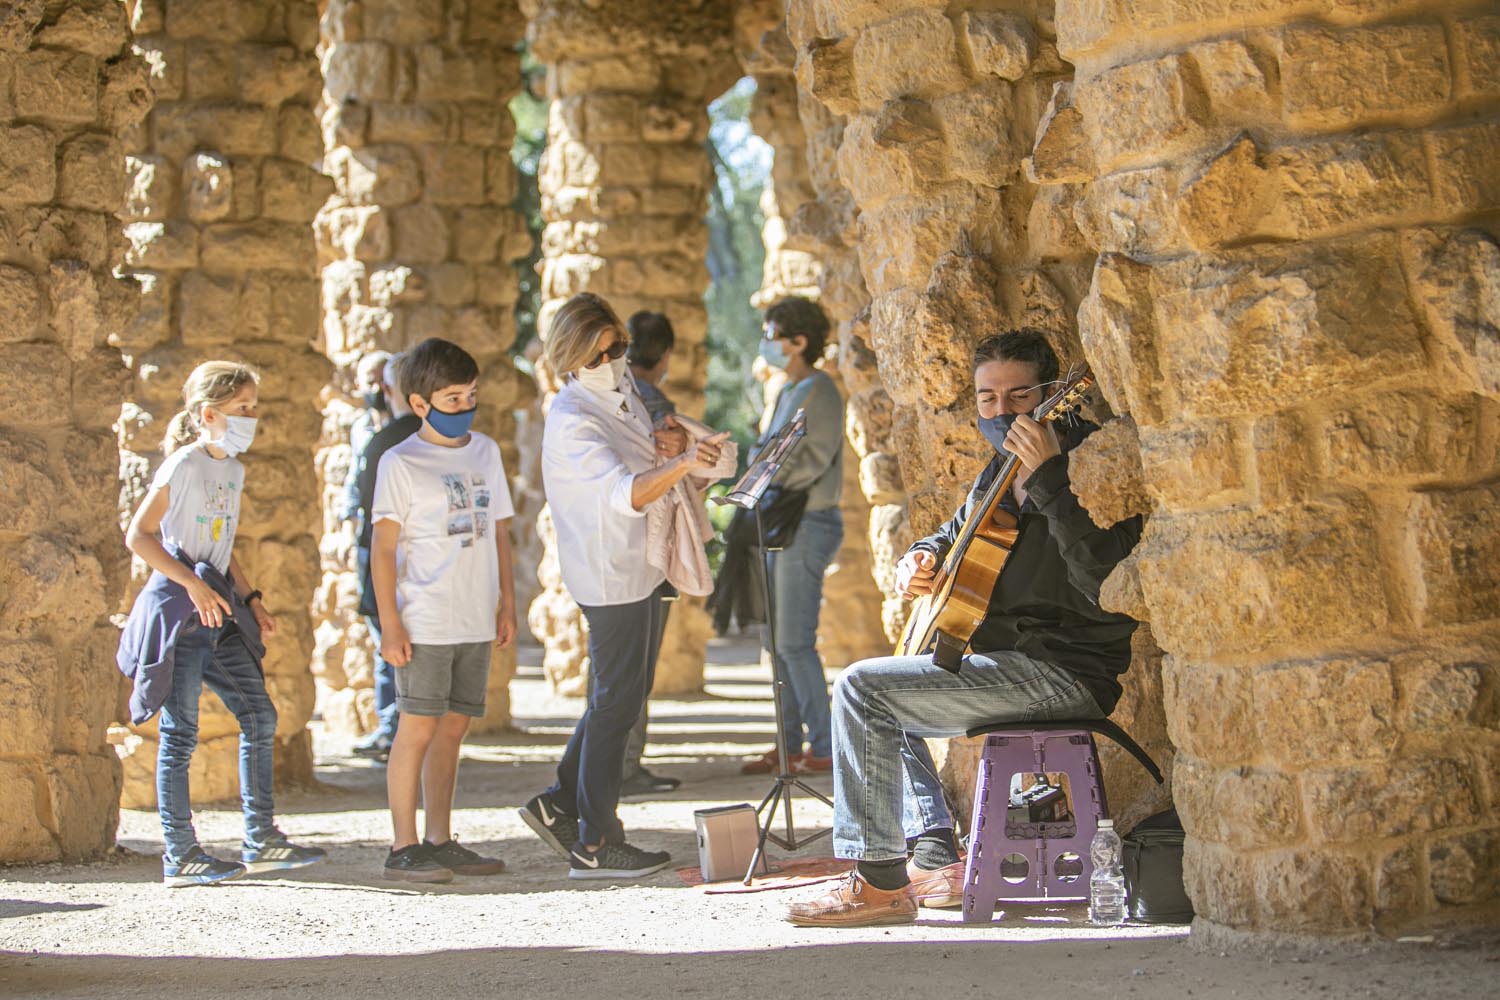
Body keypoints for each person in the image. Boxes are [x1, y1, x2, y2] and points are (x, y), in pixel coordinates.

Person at [785, 330, 1143, 927]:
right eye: (986, 399)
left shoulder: (1093, 465)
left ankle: (878, 886)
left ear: (1052, 395)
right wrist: (919, 559)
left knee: (861, 690)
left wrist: (1049, 477)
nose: (1002, 412)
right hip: (1007, 666)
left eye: (1018, 395)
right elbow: (953, 535)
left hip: (1065, 671)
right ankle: (930, 848)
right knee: (876, 698)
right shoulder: (997, 472)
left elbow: (1103, 579)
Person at [518, 292, 727, 880]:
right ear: (570, 358)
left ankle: (558, 801)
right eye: (601, 352)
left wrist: (665, 446)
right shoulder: (573, 418)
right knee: (615, 705)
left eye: (620, 348)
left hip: (643, 564)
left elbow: (638, 460)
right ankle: (596, 842)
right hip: (611, 574)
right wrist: (684, 464)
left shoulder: (620, 391)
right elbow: (624, 493)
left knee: (622, 698)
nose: (615, 359)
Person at [119, 362, 327, 887]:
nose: (251, 417)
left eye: (253, 407)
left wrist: (250, 596)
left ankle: (261, 838)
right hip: (182, 617)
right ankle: (180, 854)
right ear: (209, 414)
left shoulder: (232, 470)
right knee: (180, 734)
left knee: (259, 715)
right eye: (241, 409)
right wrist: (191, 585)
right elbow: (139, 536)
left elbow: (220, 545)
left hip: (222, 614)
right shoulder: (182, 466)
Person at [370, 338, 518, 884]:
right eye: (452, 398)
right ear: (419, 403)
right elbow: (383, 550)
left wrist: (508, 603)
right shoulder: (400, 462)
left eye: (471, 395)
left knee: (454, 728)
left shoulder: (486, 452)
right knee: (417, 727)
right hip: (425, 616)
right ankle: (402, 847)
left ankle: (440, 837)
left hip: (475, 616)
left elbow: (500, 531)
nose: (465, 407)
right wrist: (391, 622)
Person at [740, 297, 845, 776]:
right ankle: (788, 744)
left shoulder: (819, 390)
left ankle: (823, 747)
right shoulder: (789, 388)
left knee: (795, 641)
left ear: (799, 341)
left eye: (774, 334)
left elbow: (810, 457)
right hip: (780, 521)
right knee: (776, 640)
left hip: (808, 522)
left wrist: (765, 472)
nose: (768, 343)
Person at [611, 309, 682, 798]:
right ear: (667, 356)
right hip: (648, 543)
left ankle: (620, 762)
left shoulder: (612, 396)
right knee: (637, 666)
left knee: (620, 665)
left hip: (614, 539)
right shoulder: (653, 401)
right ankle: (624, 765)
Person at [350, 354, 421, 762]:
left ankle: (397, 732)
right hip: (398, 562)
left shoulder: (389, 441)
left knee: (391, 649)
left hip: (392, 563)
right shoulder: (379, 433)